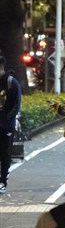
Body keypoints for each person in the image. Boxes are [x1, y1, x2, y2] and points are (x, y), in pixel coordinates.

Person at [0, 54, 21, 194]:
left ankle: (3, 181)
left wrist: (7, 119)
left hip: (5, 125)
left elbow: (16, 104)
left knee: (5, 154)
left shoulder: (11, 82)